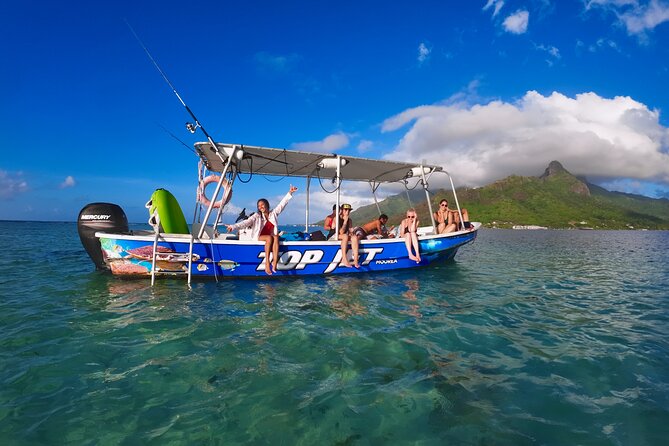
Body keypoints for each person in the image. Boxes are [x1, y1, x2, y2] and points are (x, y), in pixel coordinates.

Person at [226, 184, 298, 275]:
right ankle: (267, 262)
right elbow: (246, 222)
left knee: (275, 237)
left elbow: (282, 204)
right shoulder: (256, 216)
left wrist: (290, 193)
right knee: (269, 238)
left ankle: (274, 261)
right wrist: (233, 226)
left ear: (266, 205)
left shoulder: (273, 214)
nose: (260, 207)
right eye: (259, 206)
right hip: (259, 236)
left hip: (270, 236)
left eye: (262, 205)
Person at [337, 203, 359, 268]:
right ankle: (344, 258)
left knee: (355, 237)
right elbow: (341, 232)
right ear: (341, 210)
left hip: (343, 235)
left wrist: (352, 232)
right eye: (345, 210)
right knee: (345, 236)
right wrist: (345, 221)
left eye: (349, 210)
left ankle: (355, 260)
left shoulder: (350, 220)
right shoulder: (337, 218)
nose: (347, 211)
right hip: (334, 235)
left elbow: (350, 231)